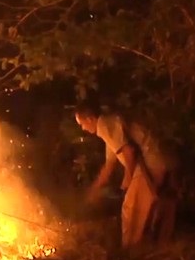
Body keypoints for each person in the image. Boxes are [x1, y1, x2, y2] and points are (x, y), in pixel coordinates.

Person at [74, 102, 178, 247]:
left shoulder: (105, 125)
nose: (83, 128)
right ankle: (163, 247)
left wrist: (128, 178)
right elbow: (109, 165)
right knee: (162, 204)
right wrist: (95, 189)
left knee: (131, 208)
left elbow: (129, 151)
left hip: (150, 162)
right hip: (164, 159)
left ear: (90, 118)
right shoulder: (110, 130)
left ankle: (132, 251)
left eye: (82, 124)